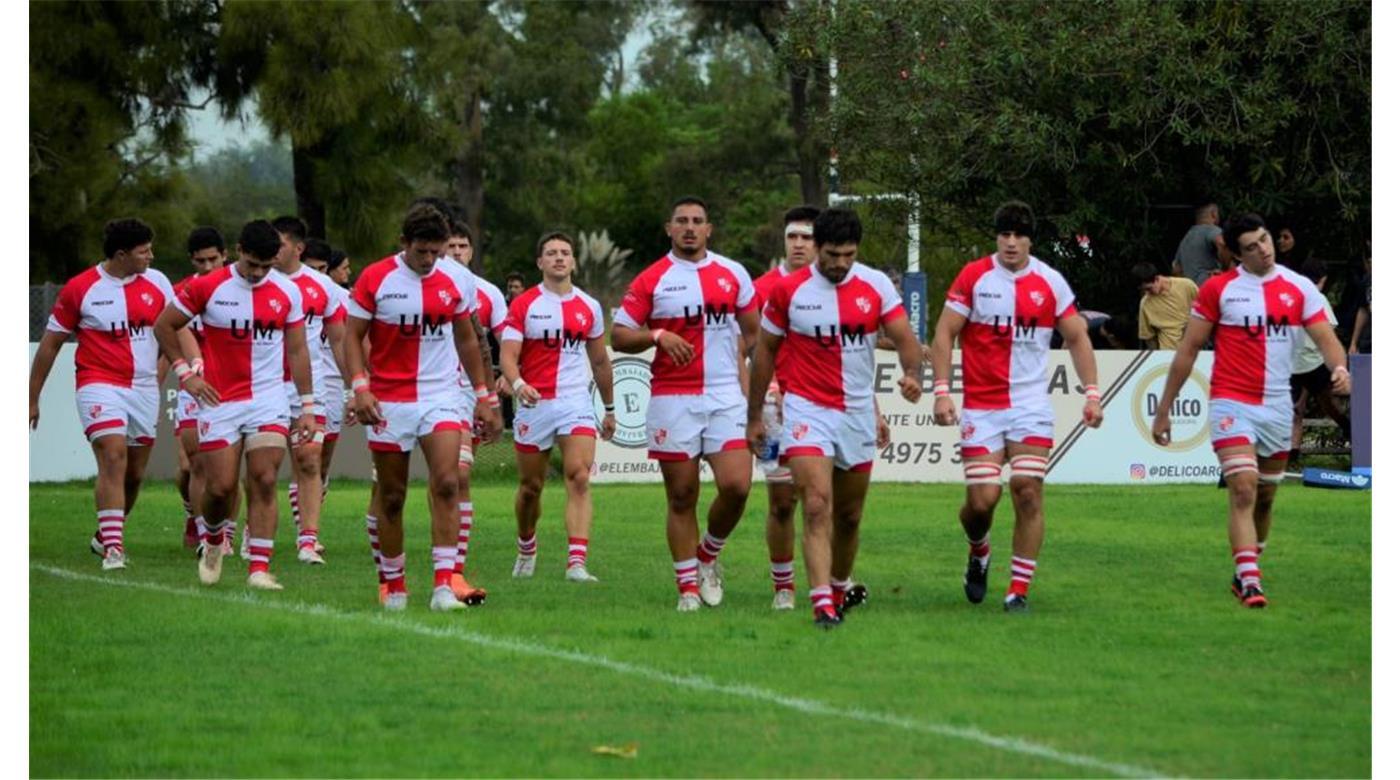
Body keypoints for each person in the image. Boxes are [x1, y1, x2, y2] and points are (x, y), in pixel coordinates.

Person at [1152, 213, 1350, 609]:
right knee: (1242, 487)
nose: (1263, 249)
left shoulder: (1300, 289)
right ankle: (1252, 582)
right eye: (1252, 246)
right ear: (1235, 253)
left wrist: (1340, 368)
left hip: (1277, 406)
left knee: (1265, 498)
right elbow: (1188, 350)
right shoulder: (1219, 290)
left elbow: (1327, 339)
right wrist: (1164, 408)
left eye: (1265, 240)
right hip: (1231, 401)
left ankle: (1244, 568)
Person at [746, 208, 924, 627]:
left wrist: (913, 374)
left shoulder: (876, 285)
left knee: (849, 516)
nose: (840, 263)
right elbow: (765, 352)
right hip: (808, 409)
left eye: (848, 254)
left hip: (857, 411)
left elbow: (904, 339)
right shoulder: (789, 291)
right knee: (816, 505)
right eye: (831, 255)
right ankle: (822, 602)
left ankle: (841, 585)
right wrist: (754, 416)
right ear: (817, 248)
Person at [929, 201, 1104, 612]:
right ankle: (979, 550)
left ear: (1030, 239)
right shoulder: (975, 276)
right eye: (1004, 235)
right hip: (982, 406)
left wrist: (1091, 394)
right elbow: (943, 333)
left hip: (1029, 405)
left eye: (1019, 235)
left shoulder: (1050, 282)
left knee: (1027, 491)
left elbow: (1077, 337)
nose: (1011, 242)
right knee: (982, 501)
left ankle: (1018, 592)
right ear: (997, 237)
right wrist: (941, 390)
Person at [343, 204, 501, 611]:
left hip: (441, 396)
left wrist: (484, 396)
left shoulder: (455, 280)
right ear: (404, 244)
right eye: (422, 252)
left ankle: (443, 588)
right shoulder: (376, 278)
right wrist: (360, 389)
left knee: (448, 483)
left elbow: (468, 339)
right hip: (389, 399)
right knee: (392, 496)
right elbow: (352, 336)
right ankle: (393, 585)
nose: (430, 261)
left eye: (437, 253)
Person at [611, 196, 760, 611]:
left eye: (698, 221)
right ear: (669, 228)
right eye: (682, 221)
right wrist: (658, 335)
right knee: (682, 495)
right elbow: (619, 336)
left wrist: (767, 386)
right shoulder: (652, 279)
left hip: (726, 395)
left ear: (709, 229)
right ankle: (687, 590)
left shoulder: (734, 274)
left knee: (737, 487)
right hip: (672, 398)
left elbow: (755, 338)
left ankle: (707, 557)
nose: (690, 227)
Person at [154, 219, 318, 590]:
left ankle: (259, 568)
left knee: (263, 478)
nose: (259, 273)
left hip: (268, 399)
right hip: (220, 400)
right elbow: (164, 325)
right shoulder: (208, 287)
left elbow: (297, 348)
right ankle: (213, 538)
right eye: (252, 265)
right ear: (239, 251)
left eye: (267, 266)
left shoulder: (288, 292)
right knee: (221, 487)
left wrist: (307, 406)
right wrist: (186, 374)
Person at [29, 218, 176, 571]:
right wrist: (32, 397)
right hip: (99, 383)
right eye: (144, 252)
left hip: (142, 387)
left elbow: (176, 329)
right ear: (122, 255)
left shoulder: (157, 283)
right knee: (113, 456)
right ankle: (114, 549)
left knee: (135, 474)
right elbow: (50, 345)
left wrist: (172, 369)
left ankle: (103, 535)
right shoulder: (81, 288)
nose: (151, 257)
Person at [500, 231, 616, 582]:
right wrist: (519, 385)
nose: (559, 258)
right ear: (540, 263)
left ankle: (576, 562)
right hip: (535, 404)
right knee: (530, 487)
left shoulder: (589, 306)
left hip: (574, 402)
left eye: (565, 252)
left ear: (574, 261)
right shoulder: (524, 305)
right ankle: (526, 545)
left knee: (579, 477)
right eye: (551, 253)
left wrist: (609, 409)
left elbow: (599, 362)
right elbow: (508, 356)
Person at [271, 217, 348, 565]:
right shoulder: (257, 282)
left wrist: (357, 388)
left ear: (298, 248)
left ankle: (308, 539)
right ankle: (244, 531)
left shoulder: (323, 287)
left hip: (310, 387)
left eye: (281, 243)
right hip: (264, 387)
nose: (273, 250)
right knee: (263, 466)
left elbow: (339, 340)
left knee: (309, 458)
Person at [441, 218, 506, 603]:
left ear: (471, 250)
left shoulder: (486, 293)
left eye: (462, 246)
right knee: (391, 488)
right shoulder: (414, 285)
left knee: (459, 476)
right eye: (450, 246)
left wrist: (501, 382)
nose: (455, 253)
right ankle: (389, 575)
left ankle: (454, 569)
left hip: (466, 394)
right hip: (417, 392)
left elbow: (500, 339)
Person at [173, 227, 226, 551]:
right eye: (200, 261)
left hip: (232, 388)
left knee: (221, 467)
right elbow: (166, 337)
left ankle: (220, 536)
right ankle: (197, 519)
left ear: (225, 256)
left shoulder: (243, 290)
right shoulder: (182, 293)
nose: (207, 267)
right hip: (193, 387)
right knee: (191, 465)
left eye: (213, 260)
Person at [1288, 258, 1350, 465]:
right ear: (1322, 279)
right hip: (1313, 363)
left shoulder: (1289, 297)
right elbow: (1329, 332)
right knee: (1330, 402)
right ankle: (1351, 430)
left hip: (1294, 364)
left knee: (1294, 409)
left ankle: (1291, 456)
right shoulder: (1319, 298)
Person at [1132, 262, 1199, 350]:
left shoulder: (1186, 285)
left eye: (1149, 288)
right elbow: (1148, 336)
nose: (1147, 293)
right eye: (1144, 290)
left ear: (1157, 278)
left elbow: (1205, 310)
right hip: (1168, 352)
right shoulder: (1145, 303)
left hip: (1195, 347)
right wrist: (1156, 356)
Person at [1172, 202, 1223, 286]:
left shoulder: (1186, 238)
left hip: (1192, 292)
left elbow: (1176, 269)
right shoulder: (1212, 230)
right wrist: (1226, 270)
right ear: (1214, 214)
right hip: (1210, 287)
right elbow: (1221, 243)